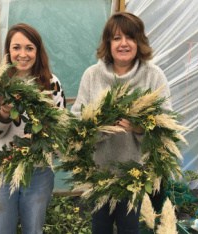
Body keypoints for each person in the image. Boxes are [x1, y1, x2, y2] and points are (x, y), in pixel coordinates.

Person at [71, 12, 172, 234]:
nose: (123, 43)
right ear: (108, 43)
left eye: (130, 37)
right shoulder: (92, 75)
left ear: (139, 42)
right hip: (99, 174)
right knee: (100, 229)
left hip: (136, 176)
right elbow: (77, 117)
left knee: (130, 229)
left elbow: (167, 124)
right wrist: (102, 127)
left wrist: (139, 128)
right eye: (116, 38)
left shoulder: (153, 76)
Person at [0, 23, 66, 234]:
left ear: (38, 51)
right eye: (16, 47)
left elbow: (62, 127)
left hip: (37, 171)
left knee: (33, 229)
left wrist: (46, 135)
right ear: (8, 51)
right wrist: (3, 114)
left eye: (29, 48)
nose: (23, 54)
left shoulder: (50, 84)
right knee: (3, 229)